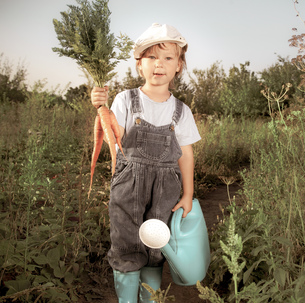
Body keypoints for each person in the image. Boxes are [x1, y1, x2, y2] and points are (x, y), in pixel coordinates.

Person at [91, 23, 201, 303]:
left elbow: (185, 154)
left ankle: (150, 298)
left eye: (167, 58)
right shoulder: (125, 99)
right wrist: (100, 107)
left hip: (166, 188)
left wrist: (188, 195)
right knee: (127, 244)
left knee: (156, 246)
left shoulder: (181, 111)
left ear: (179, 65)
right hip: (128, 184)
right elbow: (114, 141)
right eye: (151, 57)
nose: (159, 64)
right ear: (139, 64)